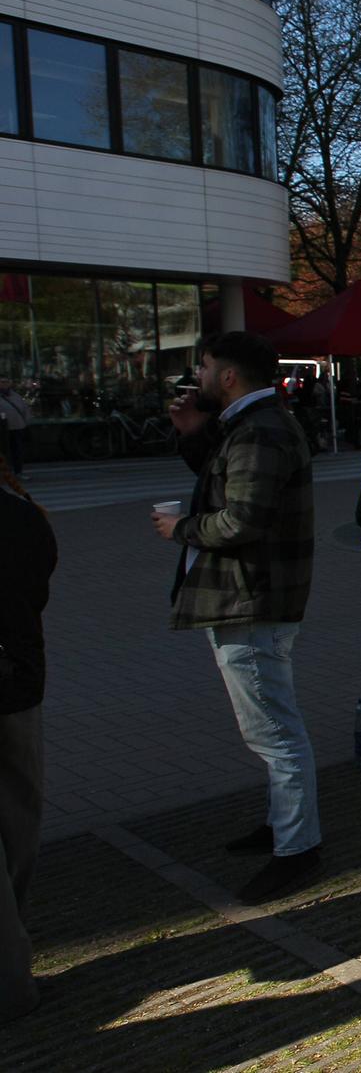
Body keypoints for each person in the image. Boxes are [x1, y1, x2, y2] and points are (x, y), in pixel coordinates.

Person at [156, 331, 322, 904]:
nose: (197, 377)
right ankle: (284, 827)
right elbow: (225, 484)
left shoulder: (260, 429)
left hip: (252, 598)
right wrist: (193, 434)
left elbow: (243, 518)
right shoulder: (251, 425)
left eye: (204, 367)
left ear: (228, 376)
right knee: (270, 728)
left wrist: (179, 529)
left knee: (274, 732)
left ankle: (298, 847)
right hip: (250, 596)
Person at [0, 458, 54, 1022]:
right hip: (17, 681)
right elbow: (37, 589)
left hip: (16, 679)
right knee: (19, 817)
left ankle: (9, 976)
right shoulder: (23, 515)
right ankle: (13, 943)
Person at [0, 378, 29, 477]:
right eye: (2, 382)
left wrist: (25, 423)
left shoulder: (16, 396)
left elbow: (25, 409)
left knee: (17, 450)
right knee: (4, 452)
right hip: (2, 429)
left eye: (6, 382)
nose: (4, 384)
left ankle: (18, 471)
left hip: (17, 427)